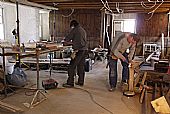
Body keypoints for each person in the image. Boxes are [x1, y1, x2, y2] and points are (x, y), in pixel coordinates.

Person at [62, 20, 88, 88]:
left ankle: (70, 83)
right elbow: (80, 40)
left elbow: (67, 39)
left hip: (78, 50)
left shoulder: (75, 30)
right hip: (84, 50)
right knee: (81, 66)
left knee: (71, 66)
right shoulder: (82, 30)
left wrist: (65, 41)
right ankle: (81, 81)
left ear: (73, 25)